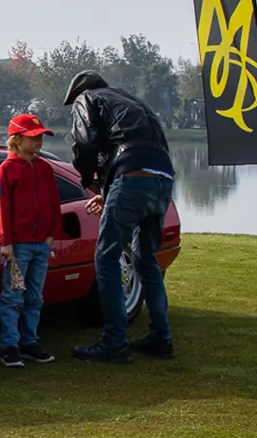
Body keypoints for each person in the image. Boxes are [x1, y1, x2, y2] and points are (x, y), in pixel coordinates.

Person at [65, 70, 177, 363]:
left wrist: (89, 181)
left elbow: (86, 143)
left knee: (106, 257)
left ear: (78, 92)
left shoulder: (87, 99)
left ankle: (114, 341)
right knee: (146, 259)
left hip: (131, 178)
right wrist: (111, 187)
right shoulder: (133, 102)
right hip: (163, 179)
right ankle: (160, 337)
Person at [0, 113, 62, 367]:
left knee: (35, 296)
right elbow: (2, 208)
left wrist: (52, 234)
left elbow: (54, 203)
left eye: (40, 138)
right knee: (13, 296)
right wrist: (7, 241)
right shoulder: (7, 169)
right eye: (33, 138)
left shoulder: (45, 168)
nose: (38, 143)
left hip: (41, 246)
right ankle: (9, 345)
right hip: (18, 247)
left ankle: (29, 341)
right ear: (16, 139)